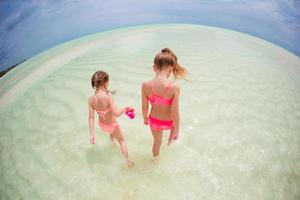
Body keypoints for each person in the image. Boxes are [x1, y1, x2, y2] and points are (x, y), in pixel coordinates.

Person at [141, 48, 187, 158]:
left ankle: (155, 160)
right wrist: (177, 130)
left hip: (154, 121)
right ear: (171, 67)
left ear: (154, 67)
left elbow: (144, 106)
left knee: (157, 143)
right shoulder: (174, 87)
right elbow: (175, 113)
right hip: (168, 122)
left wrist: (145, 118)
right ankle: (170, 144)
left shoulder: (145, 85)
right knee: (173, 130)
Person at [88, 71, 134, 167]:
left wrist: (92, 134)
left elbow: (91, 118)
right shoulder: (108, 96)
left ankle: (112, 143)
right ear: (106, 82)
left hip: (102, 125)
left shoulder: (91, 99)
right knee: (121, 140)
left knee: (112, 132)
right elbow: (116, 113)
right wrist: (126, 108)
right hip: (112, 125)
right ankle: (127, 161)